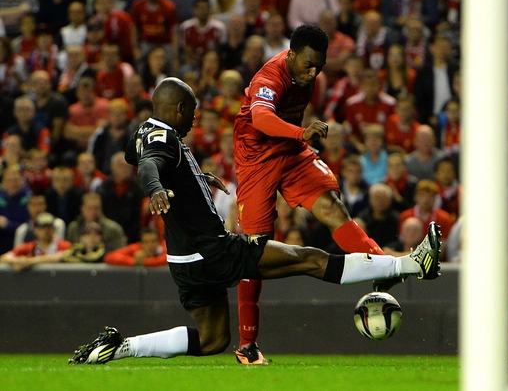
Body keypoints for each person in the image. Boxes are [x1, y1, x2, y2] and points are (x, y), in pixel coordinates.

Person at [68, 77, 441, 365]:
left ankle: (121, 348)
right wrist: (156, 189)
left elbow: (143, 156)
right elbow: (151, 165)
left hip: (183, 261)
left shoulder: (143, 132)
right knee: (308, 258)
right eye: (192, 110)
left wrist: (193, 179)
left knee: (214, 340)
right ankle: (411, 263)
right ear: (178, 107)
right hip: (212, 250)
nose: (195, 117)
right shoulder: (163, 136)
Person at [232, 25, 418, 364]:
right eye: (307, 64)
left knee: (334, 209)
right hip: (256, 158)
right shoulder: (269, 77)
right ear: (290, 55)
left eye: (318, 65)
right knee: (254, 249)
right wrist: (302, 132)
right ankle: (247, 343)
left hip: (290, 150)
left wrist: (296, 137)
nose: (313, 72)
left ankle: (381, 267)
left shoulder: (307, 74)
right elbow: (260, 117)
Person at [0, 211, 71, 271]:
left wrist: (30, 261)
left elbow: (61, 256)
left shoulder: (64, 245)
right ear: (35, 230)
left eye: (49, 227)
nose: (47, 231)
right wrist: (18, 261)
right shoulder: (31, 246)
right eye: (43, 228)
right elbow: (5, 257)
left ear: (54, 229)